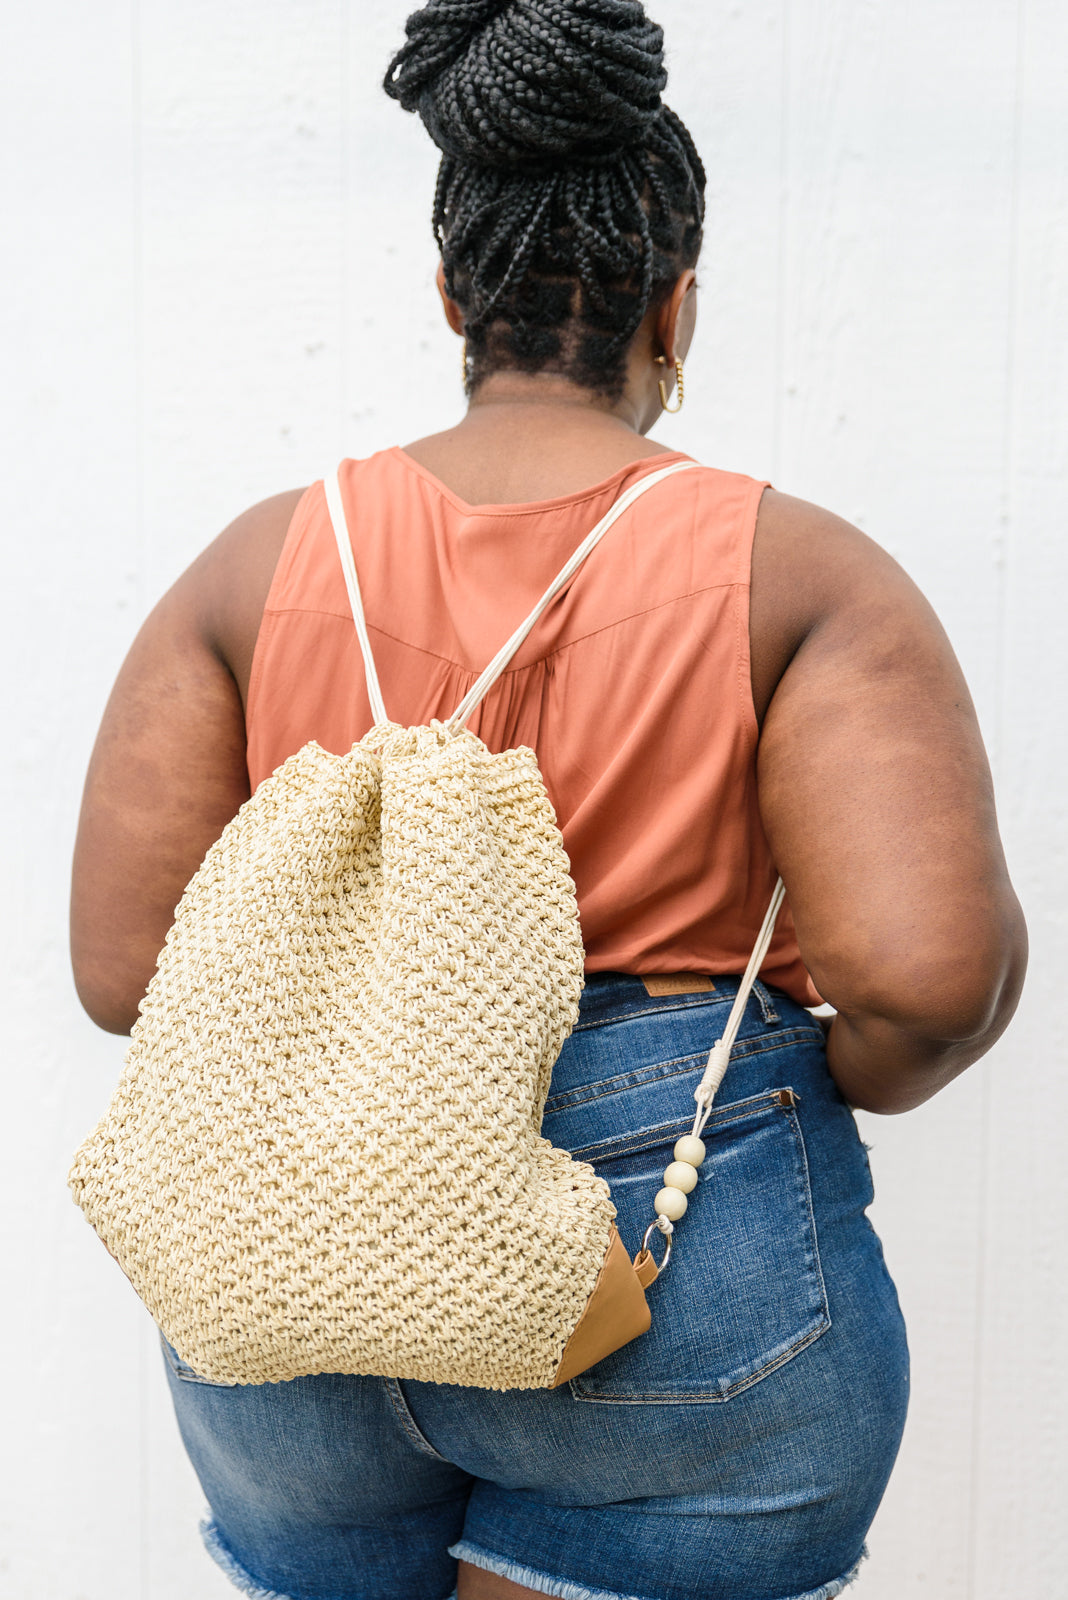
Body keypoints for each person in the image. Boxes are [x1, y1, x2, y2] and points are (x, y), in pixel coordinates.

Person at [69, 2, 1026, 1597]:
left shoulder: (250, 567)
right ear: (680, 305)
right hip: (658, 1246)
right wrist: (750, 1088)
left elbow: (124, 981)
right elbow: (928, 982)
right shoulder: (802, 574)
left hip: (287, 1275)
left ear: (453, 295)